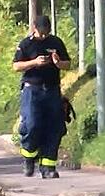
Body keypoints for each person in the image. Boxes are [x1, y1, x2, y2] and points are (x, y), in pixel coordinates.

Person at [12, 15, 71, 179]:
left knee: (55, 127)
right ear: (35, 28)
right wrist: (35, 63)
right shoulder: (26, 44)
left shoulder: (56, 43)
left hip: (52, 90)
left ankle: (48, 167)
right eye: (42, 32)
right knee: (32, 125)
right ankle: (29, 158)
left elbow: (68, 63)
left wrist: (58, 63)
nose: (44, 36)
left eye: (47, 32)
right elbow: (16, 66)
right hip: (32, 90)